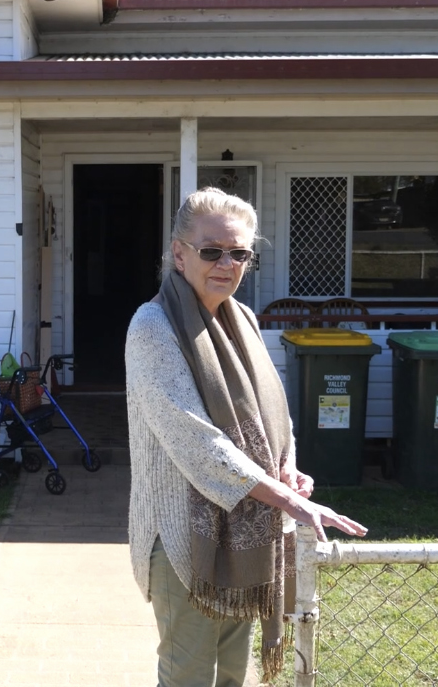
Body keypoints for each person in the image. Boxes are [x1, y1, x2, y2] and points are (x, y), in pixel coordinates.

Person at [126, 187, 368, 687]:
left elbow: (271, 416)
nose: (226, 263)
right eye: (211, 250)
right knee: (189, 677)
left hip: (244, 538)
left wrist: (287, 468)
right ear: (178, 252)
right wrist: (288, 501)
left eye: (239, 253)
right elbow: (197, 442)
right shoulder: (153, 327)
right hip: (182, 539)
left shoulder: (244, 321)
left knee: (233, 675)